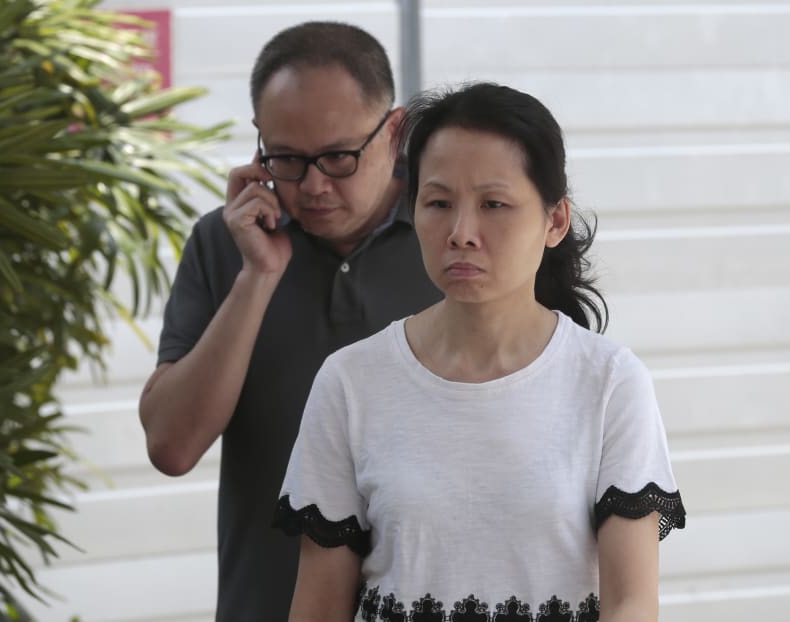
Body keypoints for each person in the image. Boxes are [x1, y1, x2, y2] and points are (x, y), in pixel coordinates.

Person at [273, 82, 687, 622]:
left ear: (554, 221)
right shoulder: (351, 382)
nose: (462, 233)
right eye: (439, 203)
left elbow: (631, 603)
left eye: (494, 204)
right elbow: (317, 608)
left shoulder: (609, 381)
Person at [138, 22, 442, 622]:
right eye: (287, 159)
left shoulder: (456, 237)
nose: (314, 186)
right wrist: (256, 278)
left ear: (396, 130)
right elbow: (171, 447)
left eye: (338, 156)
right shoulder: (224, 244)